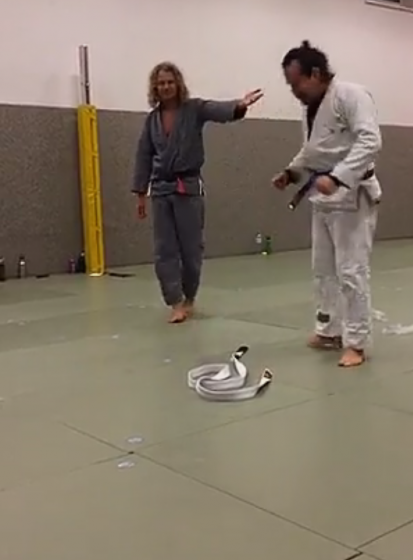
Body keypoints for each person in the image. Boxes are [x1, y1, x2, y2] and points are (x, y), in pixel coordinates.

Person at [272, 41, 382, 368]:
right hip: (323, 197)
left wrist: (338, 176)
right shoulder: (311, 106)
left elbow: (370, 141)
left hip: (352, 195)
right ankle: (329, 330)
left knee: (351, 271)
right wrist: (292, 172)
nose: (294, 91)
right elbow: (313, 150)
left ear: (316, 73)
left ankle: (356, 343)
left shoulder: (351, 95)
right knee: (322, 269)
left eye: (297, 83)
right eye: (290, 85)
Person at [132, 62, 263, 323]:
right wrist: (140, 194)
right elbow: (143, 156)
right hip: (161, 189)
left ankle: (189, 296)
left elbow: (218, 109)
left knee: (191, 249)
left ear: (178, 84)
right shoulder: (152, 120)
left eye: (170, 82)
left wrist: (239, 105)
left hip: (188, 187)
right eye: (161, 83)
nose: (166, 87)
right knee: (164, 249)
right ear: (155, 88)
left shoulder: (193, 109)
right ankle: (175, 301)